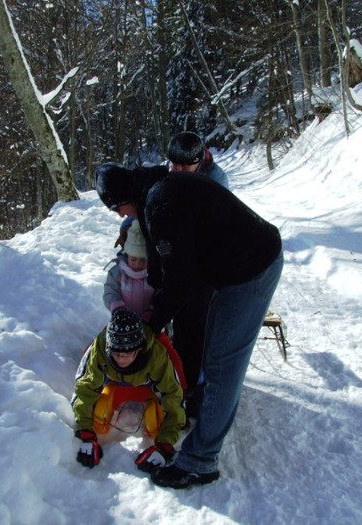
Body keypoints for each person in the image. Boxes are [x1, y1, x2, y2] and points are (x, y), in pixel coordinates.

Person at [94, 162, 283, 489]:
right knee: (211, 346)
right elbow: (165, 258)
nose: (119, 215)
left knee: (223, 363)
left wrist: (151, 324)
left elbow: (180, 281)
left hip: (250, 268)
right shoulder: (155, 188)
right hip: (233, 263)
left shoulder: (159, 203)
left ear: (123, 200)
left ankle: (200, 462)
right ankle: (206, 409)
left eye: (116, 209)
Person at [72, 309, 186, 473]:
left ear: (139, 350)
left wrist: (164, 445)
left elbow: (173, 395)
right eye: (116, 353)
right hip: (110, 378)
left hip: (147, 380)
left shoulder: (157, 356)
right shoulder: (100, 347)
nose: (121, 359)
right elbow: (85, 386)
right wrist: (85, 431)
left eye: (127, 354)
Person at [166, 131, 229, 417]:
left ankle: (198, 389)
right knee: (181, 322)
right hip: (185, 257)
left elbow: (214, 230)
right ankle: (179, 376)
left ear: (198, 161)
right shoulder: (176, 169)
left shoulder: (216, 181)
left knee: (200, 327)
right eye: (173, 165)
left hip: (210, 261)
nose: (177, 171)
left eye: (183, 167)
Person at [103, 220, 154, 316]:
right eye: (133, 259)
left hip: (150, 320)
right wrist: (118, 310)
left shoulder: (155, 273)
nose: (138, 264)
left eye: (143, 260)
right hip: (124, 320)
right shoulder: (117, 273)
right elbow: (111, 292)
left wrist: (153, 311)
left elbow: (161, 294)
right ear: (126, 255)